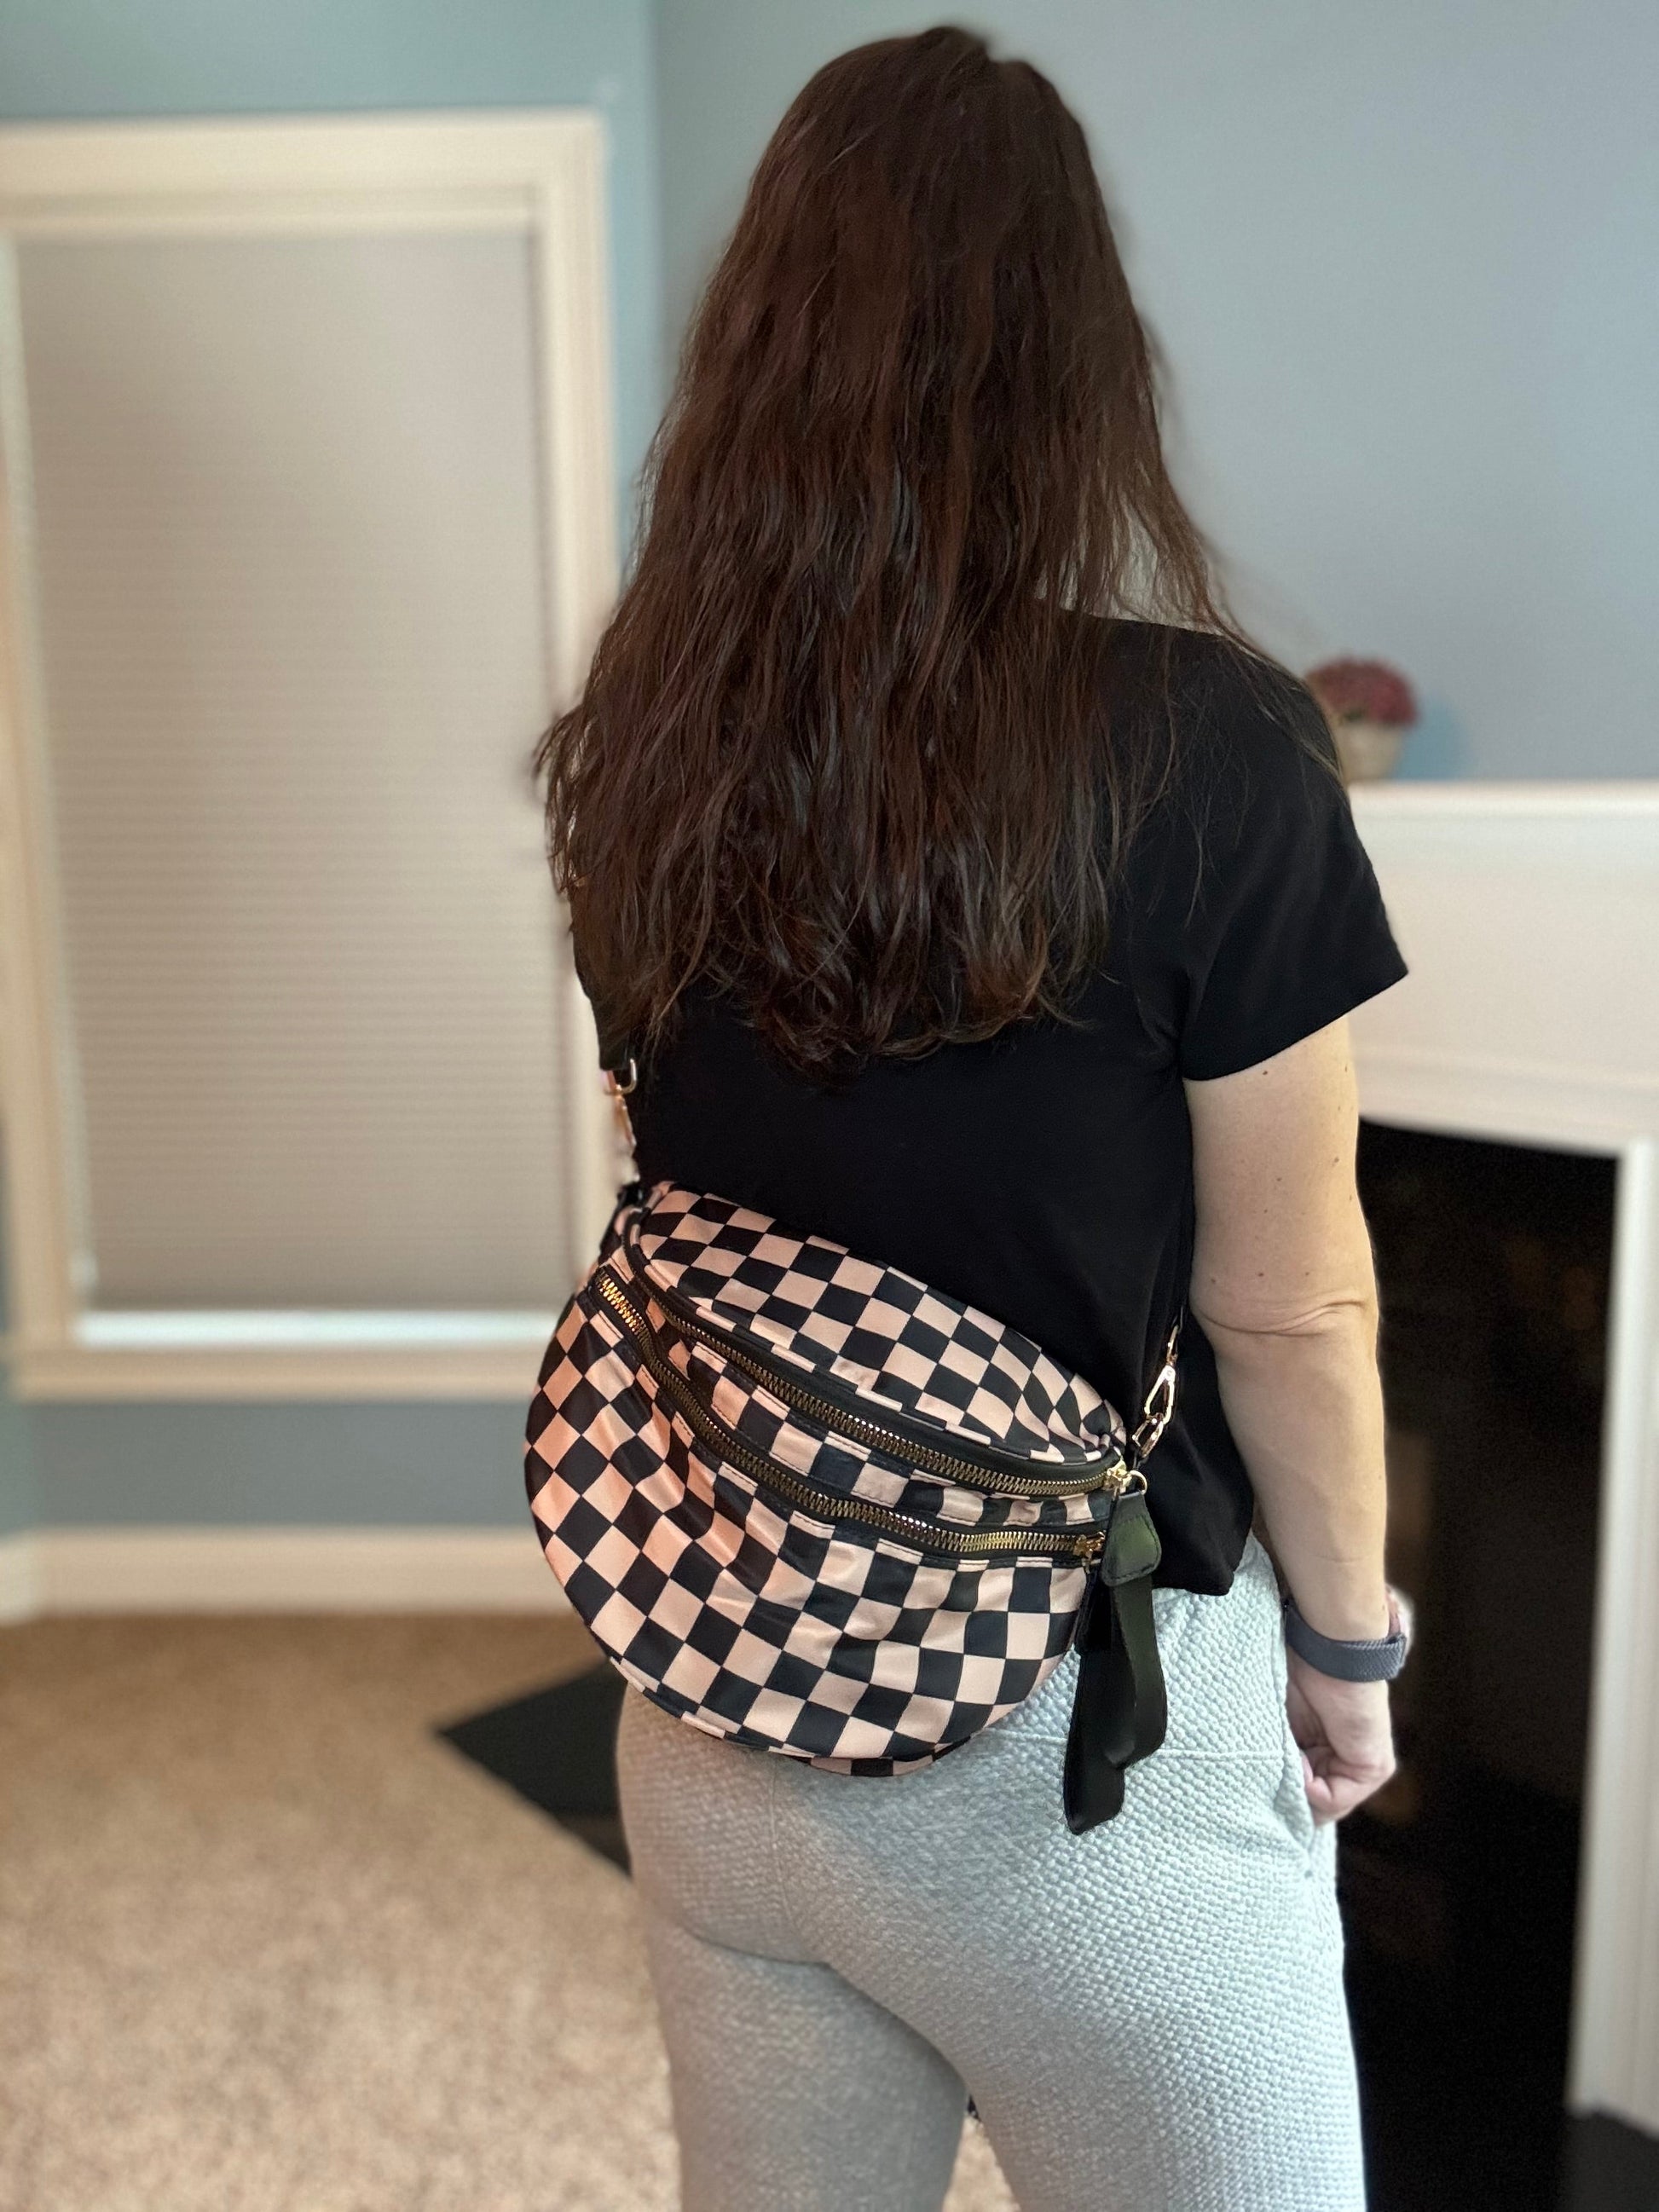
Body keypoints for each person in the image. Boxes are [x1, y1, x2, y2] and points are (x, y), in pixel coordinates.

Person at [536, 26, 1408, 2211]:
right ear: (1075, 371)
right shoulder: (1211, 748)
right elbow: (1291, 1303)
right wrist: (1343, 1647)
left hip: (719, 1706)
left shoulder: (643, 753)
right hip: (1083, 1772)